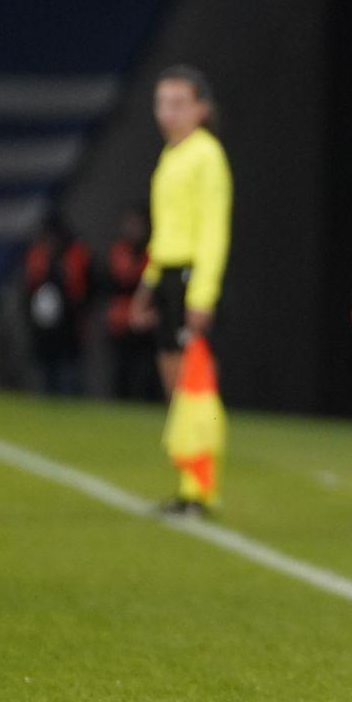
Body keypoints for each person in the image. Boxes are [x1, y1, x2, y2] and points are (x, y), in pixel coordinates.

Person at [129, 65, 232, 514]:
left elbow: (213, 229)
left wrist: (202, 296)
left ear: (201, 109)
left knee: (196, 386)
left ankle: (201, 488)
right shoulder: (172, 155)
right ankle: (188, 482)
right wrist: (148, 284)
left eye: (178, 103)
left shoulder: (207, 155)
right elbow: (165, 230)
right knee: (175, 386)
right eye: (162, 103)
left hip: (191, 276)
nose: (167, 112)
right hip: (169, 272)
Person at [21, 213, 92, 396]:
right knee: (46, 377)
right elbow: (27, 292)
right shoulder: (36, 255)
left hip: (68, 329)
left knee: (69, 377)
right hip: (42, 332)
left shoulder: (76, 254)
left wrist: (79, 308)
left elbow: (91, 286)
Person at [103, 205, 160, 401]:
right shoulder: (118, 251)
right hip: (121, 321)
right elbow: (113, 282)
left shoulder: (153, 251)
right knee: (122, 371)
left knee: (147, 371)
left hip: (146, 322)